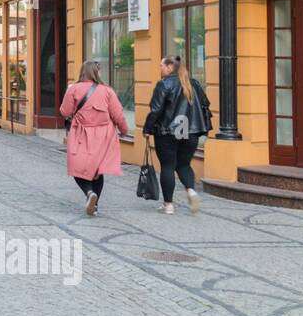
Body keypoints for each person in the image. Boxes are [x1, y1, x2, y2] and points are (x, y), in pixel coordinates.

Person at [142, 56, 212, 215]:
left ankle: (168, 205)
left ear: (169, 67)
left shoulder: (164, 84)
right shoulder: (193, 84)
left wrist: (147, 129)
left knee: (168, 166)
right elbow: (205, 104)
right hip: (191, 132)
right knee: (184, 164)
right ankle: (191, 192)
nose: (160, 68)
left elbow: (155, 110)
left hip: (167, 132)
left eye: (161, 65)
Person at [60, 60, 130, 217]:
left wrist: (69, 94)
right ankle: (95, 205)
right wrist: (124, 131)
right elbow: (118, 115)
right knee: (98, 171)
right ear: (97, 73)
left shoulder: (74, 89)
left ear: (82, 72)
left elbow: (65, 112)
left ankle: (89, 192)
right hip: (104, 137)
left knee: (77, 167)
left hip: (81, 134)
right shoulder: (107, 91)